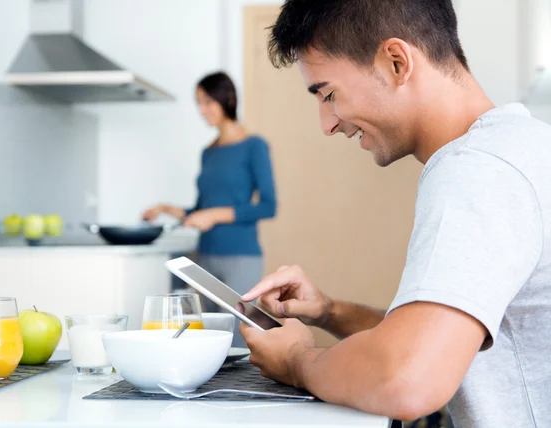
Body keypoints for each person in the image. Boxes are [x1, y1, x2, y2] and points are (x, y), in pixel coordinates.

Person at [238, 1, 551, 426]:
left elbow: (407, 377)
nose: (327, 124)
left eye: (329, 94)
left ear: (397, 62)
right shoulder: (520, 146)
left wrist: (296, 360)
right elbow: (439, 340)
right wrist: (329, 311)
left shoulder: (477, 170)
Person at [143, 71, 277, 347]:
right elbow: (201, 210)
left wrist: (214, 216)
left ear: (228, 99)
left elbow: (268, 206)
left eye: (207, 102)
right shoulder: (209, 152)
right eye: (198, 103)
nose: (202, 111)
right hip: (205, 258)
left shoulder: (254, 146)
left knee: (241, 341)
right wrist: (166, 208)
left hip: (240, 258)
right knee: (210, 341)